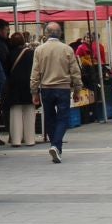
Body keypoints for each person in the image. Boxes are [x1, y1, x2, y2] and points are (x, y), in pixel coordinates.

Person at [30, 23, 82, 163]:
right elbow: (75, 72)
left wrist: (34, 92)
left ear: (46, 33)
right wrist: (77, 89)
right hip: (63, 87)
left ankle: (55, 145)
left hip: (46, 87)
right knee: (63, 117)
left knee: (49, 117)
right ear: (60, 34)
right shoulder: (67, 49)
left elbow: (35, 73)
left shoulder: (39, 50)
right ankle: (56, 145)